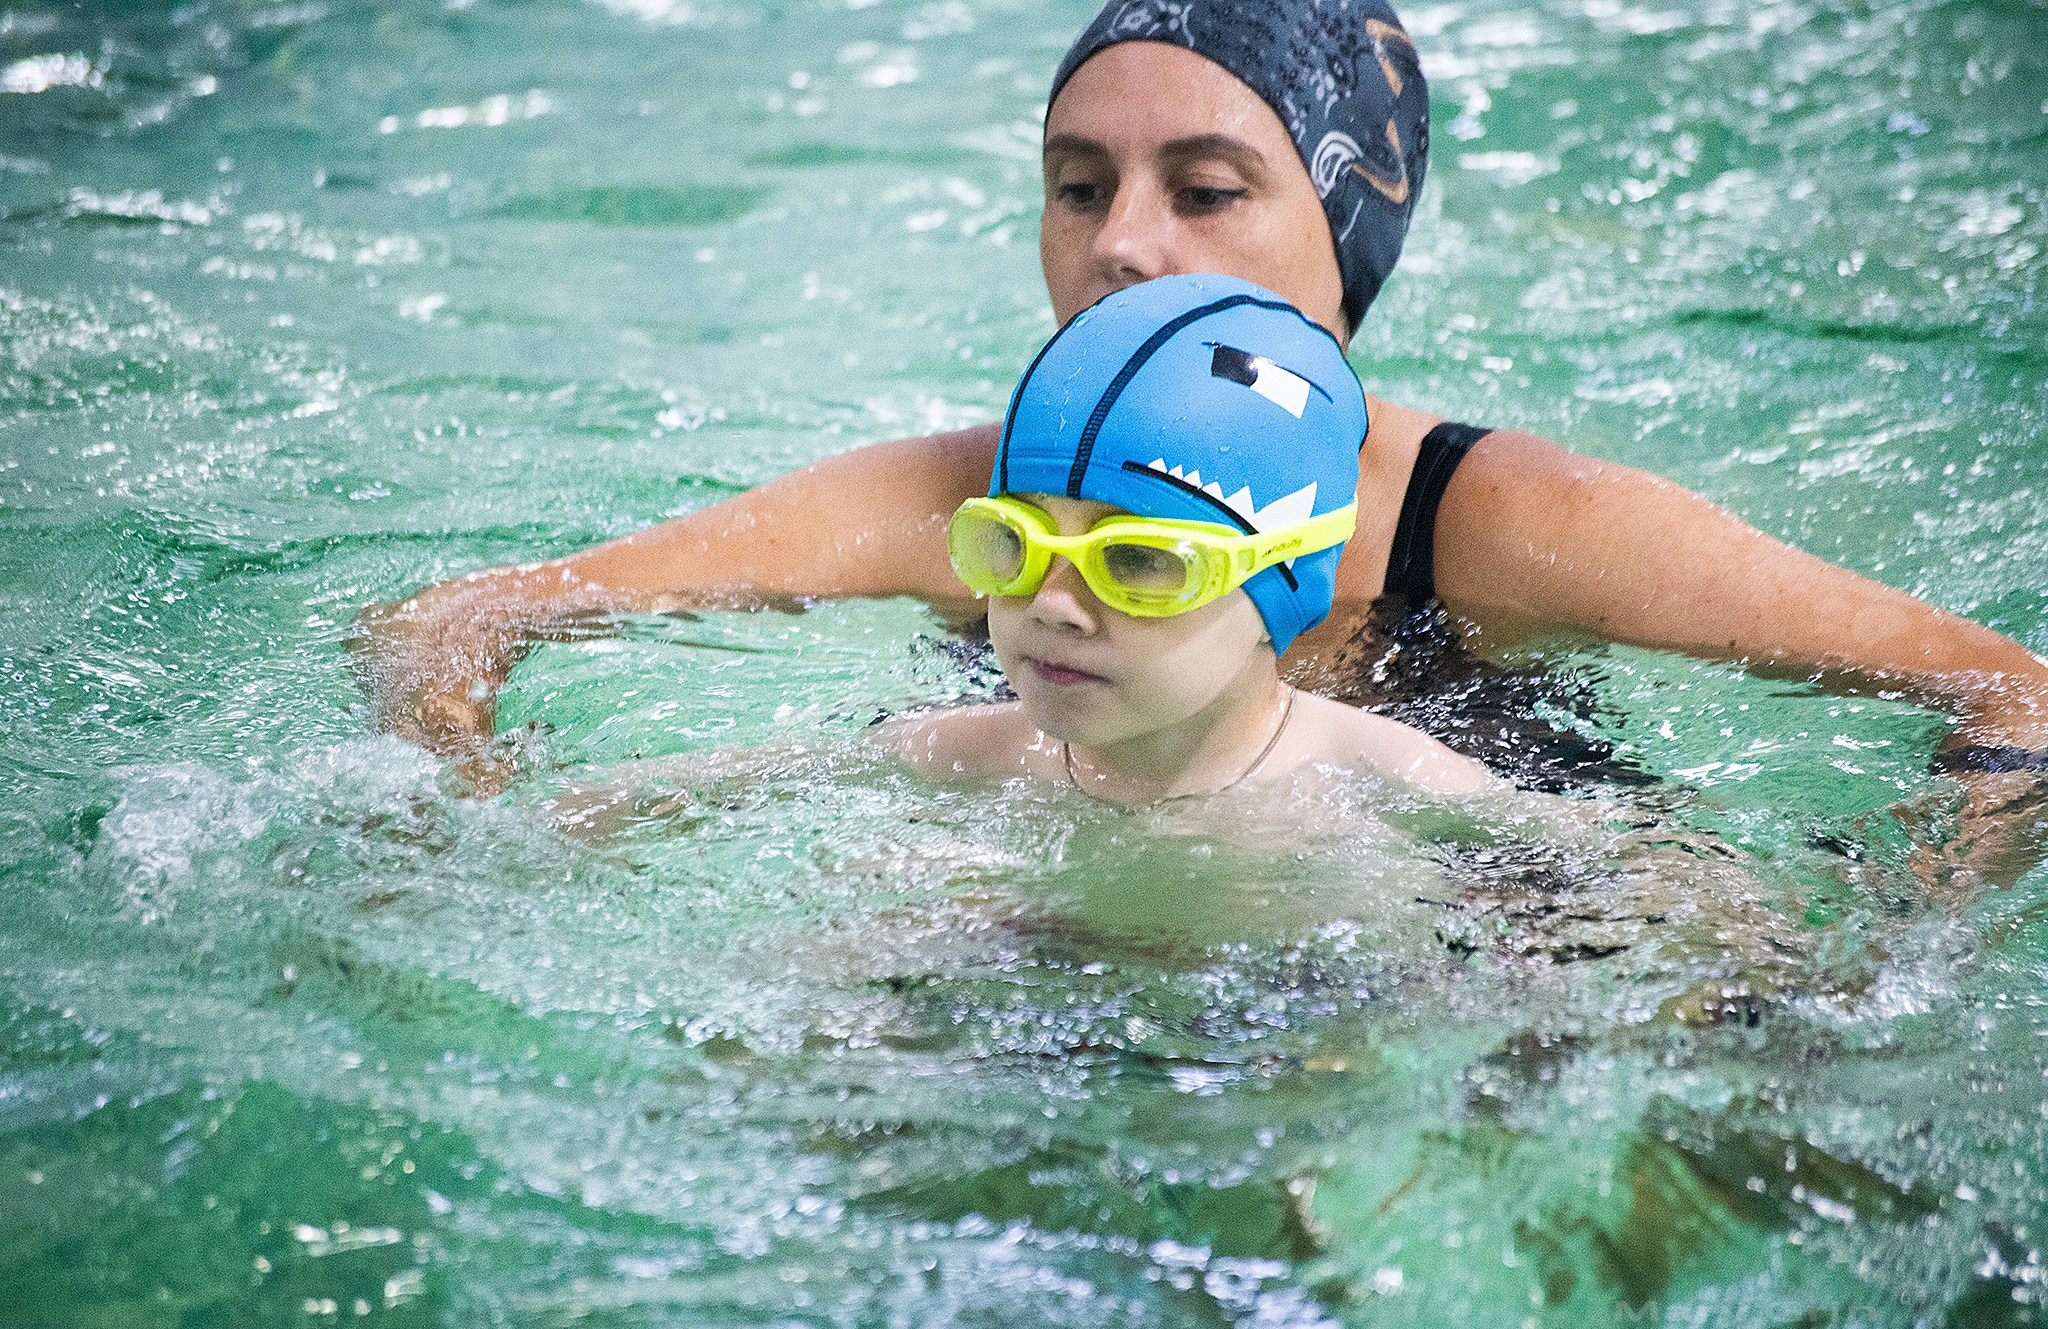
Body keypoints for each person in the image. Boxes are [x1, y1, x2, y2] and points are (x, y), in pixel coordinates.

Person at [356, 0, 2048, 790]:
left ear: (1346, 228)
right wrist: (459, 818)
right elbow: (459, 615)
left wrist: (1884, 946)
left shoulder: (1499, 519)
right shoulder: (977, 488)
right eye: (1077, 185)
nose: (1125, 248)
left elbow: (2007, 694)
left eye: (1208, 185)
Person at [879, 273, 1494, 805]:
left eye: (1137, 558)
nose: (1051, 605)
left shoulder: (1396, 786)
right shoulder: (951, 761)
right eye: (1014, 543)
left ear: (1284, 575)